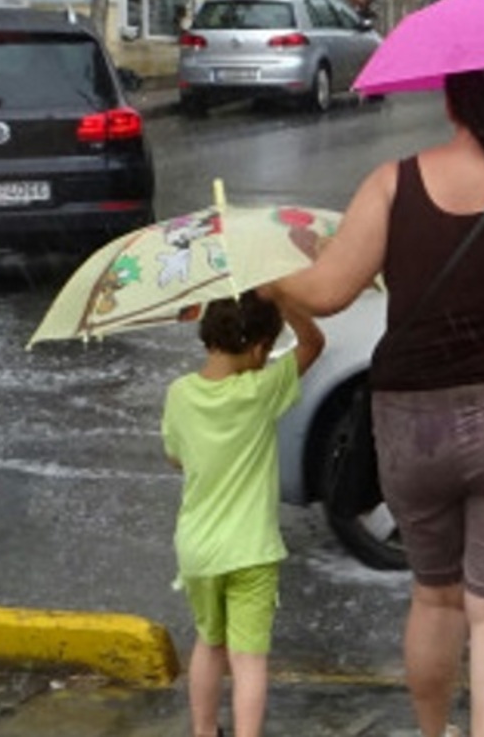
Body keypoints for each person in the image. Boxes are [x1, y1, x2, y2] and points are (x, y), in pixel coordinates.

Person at [268, 62, 484, 737]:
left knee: (435, 597)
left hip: (413, 424)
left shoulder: (392, 185)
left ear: (453, 102)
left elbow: (326, 293)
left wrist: (275, 272)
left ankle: (434, 734)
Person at [161, 290, 324, 737]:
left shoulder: (179, 395)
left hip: (197, 549)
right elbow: (313, 344)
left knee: (209, 644)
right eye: (267, 350)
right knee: (248, 658)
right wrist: (286, 297)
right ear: (257, 349)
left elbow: (175, 457)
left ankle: (203, 730)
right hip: (251, 550)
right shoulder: (259, 390)